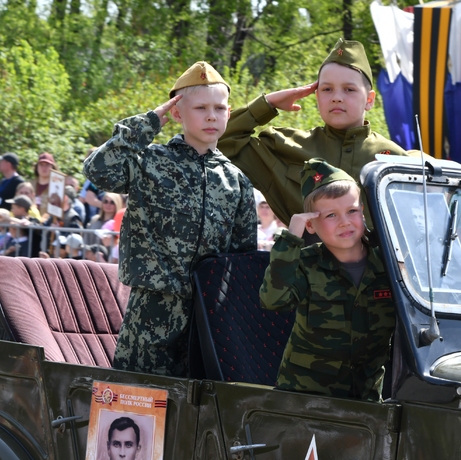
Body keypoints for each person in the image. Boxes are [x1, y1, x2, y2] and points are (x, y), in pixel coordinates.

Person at [83, 61, 257, 377]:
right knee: (136, 397)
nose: (211, 116)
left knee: (201, 400)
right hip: (152, 309)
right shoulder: (150, 162)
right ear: (177, 113)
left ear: (229, 114)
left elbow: (242, 256)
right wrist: (148, 122)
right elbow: (98, 169)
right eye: (200, 108)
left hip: (208, 313)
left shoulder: (236, 181)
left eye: (219, 108)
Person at [218, 38, 411, 228]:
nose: (336, 97)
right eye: (327, 89)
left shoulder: (392, 159)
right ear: (317, 97)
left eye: (349, 89)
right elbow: (219, 142)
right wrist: (268, 103)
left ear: (369, 100)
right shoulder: (286, 147)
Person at [259, 159, 395, 401]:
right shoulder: (306, 263)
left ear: (363, 211)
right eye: (331, 215)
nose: (344, 222)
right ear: (310, 225)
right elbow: (273, 300)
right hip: (306, 397)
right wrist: (291, 238)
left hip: (366, 398)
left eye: (352, 211)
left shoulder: (389, 263)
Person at [30, 152, 58, 218]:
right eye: (41, 164)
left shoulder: (57, 187)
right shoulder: (29, 185)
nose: (44, 167)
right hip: (28, 222)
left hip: (48, 223)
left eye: (47, 165)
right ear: (37, 167)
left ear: (53, 167)